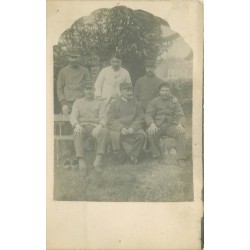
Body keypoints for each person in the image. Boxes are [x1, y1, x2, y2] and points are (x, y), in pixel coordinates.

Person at [70, 81, 110, 175]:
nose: (89, 92)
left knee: (104, 131)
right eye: (87, 89)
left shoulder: (100, 102)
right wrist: (77, 125)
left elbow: (104, 117)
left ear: (94, 90)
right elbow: (73, 116)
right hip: (83, 126)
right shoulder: (78, 102)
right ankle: (81, 162)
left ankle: (97, 162)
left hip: (95, 126)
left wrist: (100, 126)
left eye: (91, 89)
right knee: (77, 133)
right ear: (84, 90)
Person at [145, 82, 187, 168]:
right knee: (151, 132)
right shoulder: (154, 102)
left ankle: (181, 158)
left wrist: (180, 124)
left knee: (181, 133)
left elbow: (180, 114)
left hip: (170, 125)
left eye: (167, 90)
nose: (165, 92)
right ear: (159, 91)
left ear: (170, 91)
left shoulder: (174, 102)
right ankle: (156, 156)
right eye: (162, 90)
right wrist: (151, 124)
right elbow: (148, 115)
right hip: (158, 125)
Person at [108, 82, 146, 165]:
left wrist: (133, 127)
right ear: (121, 91)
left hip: (132, 128)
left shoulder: (136, 104)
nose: (130, 93)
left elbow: (140, 118)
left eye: (131, 90)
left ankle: (134, 154)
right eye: (127, 90)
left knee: (141, 136)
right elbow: (111, 119)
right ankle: (121, 155)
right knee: (114, 135)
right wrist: (121, 128)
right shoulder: (114, 104)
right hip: (119, 128)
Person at [57, 48, 91, 115]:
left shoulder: (85, 71)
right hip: (67, 103)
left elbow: (88, 87)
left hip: (82, 102)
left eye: (76, 57)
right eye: (72, 57)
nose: (74, 60)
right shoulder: (63, 71)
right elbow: (59, 89)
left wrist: (85, 101)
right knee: (67, 123)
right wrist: (63, 104)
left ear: (79, 58)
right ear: (68, 58)